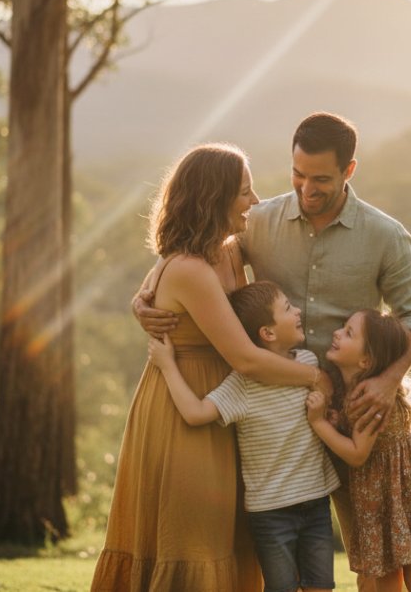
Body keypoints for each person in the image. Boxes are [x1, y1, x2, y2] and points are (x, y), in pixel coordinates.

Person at [133, 112, 411, 586]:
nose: (306, 188)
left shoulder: (385, 235)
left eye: (321, 179)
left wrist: (386, 380)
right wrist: (143, 297)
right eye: (298, 174)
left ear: (348, 171)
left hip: (351, 412)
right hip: (269, 421)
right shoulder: (258, 222)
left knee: (379, 561)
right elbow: (191, 256)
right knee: (262, 554)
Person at [91, 143, 323, 592]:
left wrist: (140, 299)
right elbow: (245, 357)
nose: (254, 202)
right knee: (193, 540)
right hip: (184, 411)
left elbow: (155, 282)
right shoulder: (190, 269)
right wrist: (318, 376)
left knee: (228, 537)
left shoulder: (231, 251)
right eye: (243, 192)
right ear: (212, 199)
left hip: (227, 404)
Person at [148, 280, 385, 592]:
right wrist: (167, 366)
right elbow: (195, 413)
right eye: (287, 308)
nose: (297, 310)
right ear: (268, 333)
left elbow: (326, 415)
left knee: (322, 586)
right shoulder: (242, 385)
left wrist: (327, 413)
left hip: (315, 503)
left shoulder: (308, 364)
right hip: (271, 514)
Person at [306, 309, 411, 592]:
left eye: (348, 333)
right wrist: (339, 420)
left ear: (365, 360)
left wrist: (319, 423)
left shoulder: (368, 399)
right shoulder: (360, 390)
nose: (336, 333)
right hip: (395, 497)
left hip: (398, 497)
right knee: (400, 582)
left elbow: (357, 453)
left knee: (404, 582)